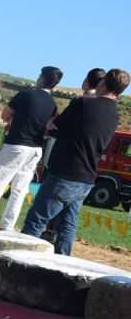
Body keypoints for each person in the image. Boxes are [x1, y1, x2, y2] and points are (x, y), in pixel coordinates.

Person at [21, 69, 128, 255]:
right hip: (86, 178)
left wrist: (54, 124)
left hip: (64, 173)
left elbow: (54, 128)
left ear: (102, 83)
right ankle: (63, 267)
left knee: (36, 219)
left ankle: (17, 261)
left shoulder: (83, 103)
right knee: (67, 226)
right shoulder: (114, 114)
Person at [0, 66, 62, 231]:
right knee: (20, 190)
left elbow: (4, 116)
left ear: (43, 79)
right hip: (36, 149)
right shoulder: (53, 104)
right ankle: (7, 227)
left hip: (16, 144)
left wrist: (13, 120)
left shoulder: (25, 94)